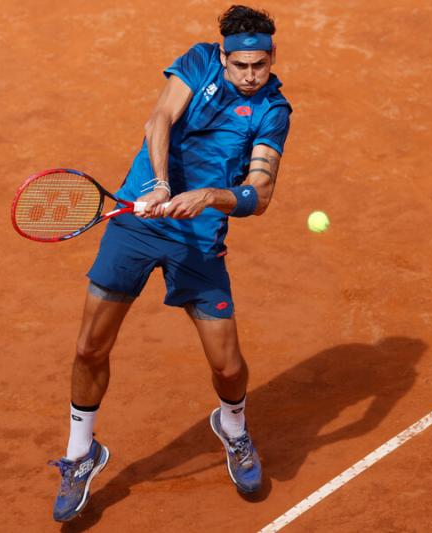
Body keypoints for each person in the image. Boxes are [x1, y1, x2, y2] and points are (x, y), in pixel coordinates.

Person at [48, 5, 291, 522]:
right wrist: (160, 182)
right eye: (241, 65)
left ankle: (233, 428)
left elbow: (260, 193)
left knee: (227, 365)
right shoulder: (198, 63)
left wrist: (207, 196)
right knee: (90, 346)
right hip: (138, 222)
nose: (250, 76)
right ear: (223, 57)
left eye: (260, 65)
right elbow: (160, 117)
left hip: (198, 240)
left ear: (273, 59)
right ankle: (80, 454)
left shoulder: (274, 110)